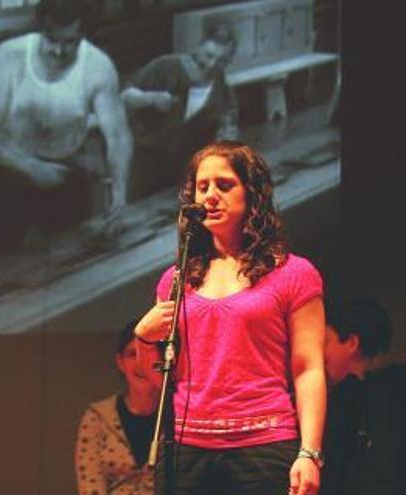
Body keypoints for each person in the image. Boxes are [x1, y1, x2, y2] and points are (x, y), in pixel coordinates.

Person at [133, 141, 326, 495]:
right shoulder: (175, 279)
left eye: (224, 185)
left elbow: (308, 366)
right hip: (186, 452)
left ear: (251, 193)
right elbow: (163, 381)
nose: (210, 196)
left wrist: (309, 453)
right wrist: (143, 338)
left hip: (264, 445)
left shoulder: (293, 273)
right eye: (202, 187)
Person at [0, 0, 132, 260]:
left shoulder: (98, 67)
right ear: (40, 30)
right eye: (52, 40)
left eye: (70, 42)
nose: (58, 51)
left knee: (72, 258)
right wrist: (31, 167)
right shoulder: (11, 56)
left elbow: (118, 136)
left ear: (83, 35)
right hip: (8, 165)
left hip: (64, 169)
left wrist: (120, 189)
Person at [121, 21, 239, 201]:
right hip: (144, 166)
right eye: (208, 56)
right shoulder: (167, 66)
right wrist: (152, 99)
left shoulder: (223, 95)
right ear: (199, 48)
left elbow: (226, 135)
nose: (211, 64)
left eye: (221, 61)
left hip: (182, 174)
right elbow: (125, 97)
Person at [321, 298, 406, 495]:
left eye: (327, 341)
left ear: (352, 343)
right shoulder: (344, 395)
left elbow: (388, 469)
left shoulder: (396, 392)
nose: (322, 352)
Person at [75, 318, 161, 495]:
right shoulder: (98, 417)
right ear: (120, 362)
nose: (140, 363)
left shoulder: (178, 416)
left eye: (147, 354)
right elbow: (90, 485)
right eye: (132, 354)